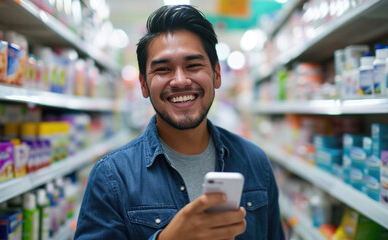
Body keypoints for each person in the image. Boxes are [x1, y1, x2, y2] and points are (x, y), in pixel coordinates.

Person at [74, 4, 285, 240]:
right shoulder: (112, 177)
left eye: (193, 65)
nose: (180, 80)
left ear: (216, 74)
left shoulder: (255, 163)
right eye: (163, 69)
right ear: (143, 85)